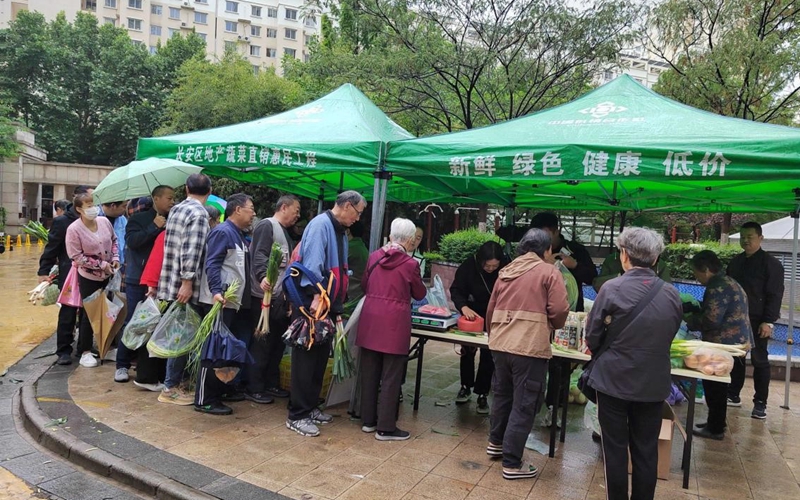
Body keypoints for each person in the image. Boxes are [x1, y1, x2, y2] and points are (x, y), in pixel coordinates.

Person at [584, 227, 682, 500]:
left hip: (612, 381)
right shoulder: (671, 294)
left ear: (624, 255)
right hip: (653, 384)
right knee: (646, 450)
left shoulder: (611, 288)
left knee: (614, 450)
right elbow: (670, 333)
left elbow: (592, 336)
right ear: (655, 258)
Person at [485, 228, 569, 480]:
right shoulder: (549, 272)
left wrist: (494, 336)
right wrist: (552, 325)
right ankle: (512, 463)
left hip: (500, 344)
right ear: (547, 250)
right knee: (525, 403)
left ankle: (496, 443)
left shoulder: (505, 271)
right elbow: (559, 310)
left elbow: (490, 309)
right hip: (529, 346)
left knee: (502, 396)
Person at [286, 190, 366, 437]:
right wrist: (317, 297)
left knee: (319, 359)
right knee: (306, 360)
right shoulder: (321, 225)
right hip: (313, 304)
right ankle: (297, 415)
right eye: (358, 212)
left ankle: (310, 407)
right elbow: (312, 266)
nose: (358, 218)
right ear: (347, 205)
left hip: (328, 305)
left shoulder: (339, 230)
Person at [357, 218, 426, 441]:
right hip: (395, 324)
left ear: (390, 236)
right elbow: (420, 293)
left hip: (370, 319)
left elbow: (365, 284)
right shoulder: (410, 264)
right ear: (410, 240)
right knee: (391, 376)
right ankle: (386, 428)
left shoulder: (374, 257)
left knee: (369, 372)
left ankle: (368, 421)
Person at [530, 212, 597, 427]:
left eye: (545, 234)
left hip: (569, 320)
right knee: (536, 361)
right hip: (539, 317)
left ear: (556, 231)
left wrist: (574, 265)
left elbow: (592, 277)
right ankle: (531, 406)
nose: (542, 239)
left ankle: (554, 408)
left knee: (561, 365)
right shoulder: (533, 250)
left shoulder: (575, 250)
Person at [196, 193, 256, 415]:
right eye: (251, 209)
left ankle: (220, 391)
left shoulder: (237, 234)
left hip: (231, 303)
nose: (254, 214)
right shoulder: (222, 232)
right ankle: (204, 399)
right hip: (218, 302)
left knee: (224, 350)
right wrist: (217, 292)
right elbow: (212, 264)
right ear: (238, 209)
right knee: (212, 350)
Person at [157, 173, 212, 406]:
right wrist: (187, 282)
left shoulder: (177, 209)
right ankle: (170, 387)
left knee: (179, 334)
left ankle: (174, 383)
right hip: (185, 287)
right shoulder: (199, 214)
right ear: (209, 191)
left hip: (171, 282)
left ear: (187, 189)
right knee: (182, 336)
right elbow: (192, 250)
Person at [687, 250, 752, 441]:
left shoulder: (717, 287)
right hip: (737, 341)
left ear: (706, 269)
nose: (696, 278)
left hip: (725, 344)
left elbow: (712, 320)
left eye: (696, 273)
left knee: (715, 385)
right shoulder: (727, 281)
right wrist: (698, 307)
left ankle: (715, 428)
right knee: (718, 385)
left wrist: (689, 321)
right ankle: (714, 422)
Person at [115, 185, 174, 387]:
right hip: (138, 279)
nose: (172, 201)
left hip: (161, 281)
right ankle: (122, 364)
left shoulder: (172, 220)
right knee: (134, 322)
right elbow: (132, 242)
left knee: (156, 324)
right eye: (168, 198)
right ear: (156, 199)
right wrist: (154, 227)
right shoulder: (138, 219)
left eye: (173, 198)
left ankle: (147, 368)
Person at [246, 194, 300, 404]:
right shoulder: (267, 226)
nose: (297, 215)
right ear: (283, 207)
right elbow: (259, 255)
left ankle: (271, 383)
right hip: (263, 296)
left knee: (277, 343)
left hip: (279, 298)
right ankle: (255, 387)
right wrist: (263, 277)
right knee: (262, 343)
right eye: (296, 210)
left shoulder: (284, 231)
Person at [726, 221, 784, 420]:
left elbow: (775, 294)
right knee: (737, 357)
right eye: (742, 237)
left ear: (760, 238)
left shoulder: (771, 264)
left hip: (759, 319)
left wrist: (769, 321)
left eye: (749, 237)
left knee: (760, 360)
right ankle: (733, 394)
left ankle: (760, 403)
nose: (745, 240)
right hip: (737, 319)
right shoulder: (736, 262)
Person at [38, 186, 93, 365]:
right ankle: (63, 350)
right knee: (68, 313)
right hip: (70, 274)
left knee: (88, 311)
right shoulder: (63, 222)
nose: (93, 205)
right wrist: (43, 271)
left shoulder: (96, 220)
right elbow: (52, 247)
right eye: (90, 201)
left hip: (92, 274)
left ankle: (84, 347)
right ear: (79, 201)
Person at [450, 241, 506, 414]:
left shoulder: (507, 267)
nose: (491, 269)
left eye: (494, 266)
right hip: (472, 313)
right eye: (487, 266)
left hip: (495, 314)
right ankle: (465, 386)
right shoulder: (469, 266)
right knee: (467, 351)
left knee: (488, 354)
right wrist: (463, 307)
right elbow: (456, 290)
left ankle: (483, 393)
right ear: (481, 260)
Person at [65, 191, 120, 368]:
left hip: (109, 275)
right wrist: (101, 265)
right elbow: (76, 256)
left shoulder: (104, 222)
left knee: (109, 311)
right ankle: (85, 351)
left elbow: (114, 240)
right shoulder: (74, 229)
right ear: (79, 209)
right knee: (90, 313)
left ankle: (107, 346)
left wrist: (115, 258)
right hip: (89, 277)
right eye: (89, 206)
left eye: (94, 205)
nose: (93, 209)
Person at [593, 249, 671, 292]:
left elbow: (667, 290)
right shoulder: (613, 259)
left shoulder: (658, 264)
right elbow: (598, 284)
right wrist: (621, 276)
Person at [347, 220, 369, 302]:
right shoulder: (361, 246)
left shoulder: (349, 248)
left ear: (347, 231)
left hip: (352, 297)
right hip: (360, 295)